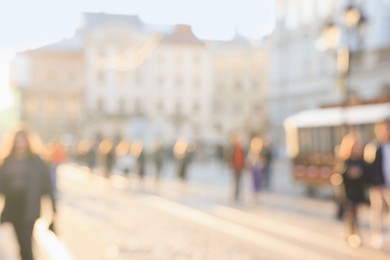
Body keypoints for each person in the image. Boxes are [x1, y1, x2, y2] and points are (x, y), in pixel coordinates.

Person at [0, 128, 56, 260]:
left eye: (22, 140)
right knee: (20, 242)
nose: (20, 143)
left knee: (26, 243)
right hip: (12, 206)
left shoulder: (36, 161)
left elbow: (47, 186)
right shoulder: (7, 160)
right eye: (17, 140)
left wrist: (53, 208)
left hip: (29, 206)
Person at [338, 133, 368, 247]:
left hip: (358, 190)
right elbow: (340, 173)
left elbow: (366, 172)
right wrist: (350, 173)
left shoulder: (362, 160)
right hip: (348, 192)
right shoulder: (345, 160)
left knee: (353, 213)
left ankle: (350, 233)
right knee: (351, 213)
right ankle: (353, 234)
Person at [366, 118, 390, 248]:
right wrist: (377, 184)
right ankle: (377, 234)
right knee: (378, 210)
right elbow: (370, 169)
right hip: (379, 186)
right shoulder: (374, 147)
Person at [229, 134, 246, 202]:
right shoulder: (233, 148)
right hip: (235, 167)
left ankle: (237, 194)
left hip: (240, 167)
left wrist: (243, 166)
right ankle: (235, 194)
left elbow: (243, 158)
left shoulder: (241, 149)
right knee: (235, 181)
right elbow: (231, 158)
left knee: (238, 182)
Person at [247, 137, 264, 203]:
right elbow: (249, 159)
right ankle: (254, 192)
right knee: (254, 181)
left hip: (258, 168)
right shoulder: (252, 152)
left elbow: (263, 160)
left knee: (259, 181)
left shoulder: (261, 152)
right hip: (254, 168)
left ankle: (258, 191)